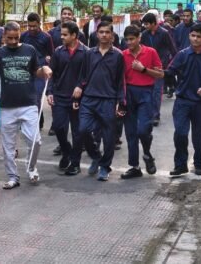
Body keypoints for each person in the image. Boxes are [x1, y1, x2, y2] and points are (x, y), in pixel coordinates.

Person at [0, 21, 52, 189]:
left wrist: (44, 70)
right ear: (4, 37)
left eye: (16, 38)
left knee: (36, 140)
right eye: (10, 38)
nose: (13, 41)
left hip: (29, 103)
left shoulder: (29, 50)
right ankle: (12, 177)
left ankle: (31, 167)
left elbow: (36, 71)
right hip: (6, 106)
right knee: (8, 145)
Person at [73, 21, 126, 182]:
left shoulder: (118, 55)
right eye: (101, 32)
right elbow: (82, 75)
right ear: (97, 34)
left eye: (107, 32)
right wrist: (78, 89)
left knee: (109, 136)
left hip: (108, 99)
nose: (104, 35)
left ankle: (104, 166)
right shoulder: (89, 53)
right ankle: (96, 156)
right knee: (82, 130)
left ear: (112, 35)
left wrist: (120, 101)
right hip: (89, 98)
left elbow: (120, 80)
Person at [165, 24, 201, 177]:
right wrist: (167, 81)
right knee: (180, 134)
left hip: (199, 103)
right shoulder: (182, 54)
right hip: (182, 101)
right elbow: (170, 71)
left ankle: (199, 164)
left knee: (198, 137)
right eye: (193, 35)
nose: (195, 39)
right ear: (189, 36)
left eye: (199, 36)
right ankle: (180, 165)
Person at [120, 25, 164, 179]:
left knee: (143, 130)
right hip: (128, 93)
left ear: (139, 38)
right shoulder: (123, 55)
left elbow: (160, 74)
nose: (129, 42)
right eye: (127, 40)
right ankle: (134, 166)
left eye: (132, 39)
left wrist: (144, 69)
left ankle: (147, 153)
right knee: (130, 132)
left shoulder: (150, 52)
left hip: (146, 93)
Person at [47, 21, 87, 175]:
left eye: (65, 35)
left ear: (74, 35)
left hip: (78, 99)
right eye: (61, 34)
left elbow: (88, 74)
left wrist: (80, 86)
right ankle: (66, 151)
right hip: (59, 96)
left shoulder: (86, 52)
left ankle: (75, 163)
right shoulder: (58, 52)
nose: (61, 37)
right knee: (58, 127)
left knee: (78, 131)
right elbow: (52, 74)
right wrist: (50, 92)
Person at [20, 12, 54, 132]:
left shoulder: (46, 37)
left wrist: (48, 59)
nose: (32, 29)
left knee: (37, 96)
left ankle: (34, 125)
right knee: (27, 98)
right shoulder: (24, 36)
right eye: (29, 26)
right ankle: (38, 120)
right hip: (26, 71)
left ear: (39, 24)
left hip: (40, 71)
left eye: (34, 26)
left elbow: (51, 54)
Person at [141, 12, 176, 127]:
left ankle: (155, 115)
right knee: (147, 92)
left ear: (153, 23)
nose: (145, 26)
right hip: (146, 68)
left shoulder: (164, 33)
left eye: (147, 24)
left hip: (159, 68)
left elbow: (173, 50)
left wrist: (171, 65)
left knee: (156, 92)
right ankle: (148, 113)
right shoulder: (144, 34)